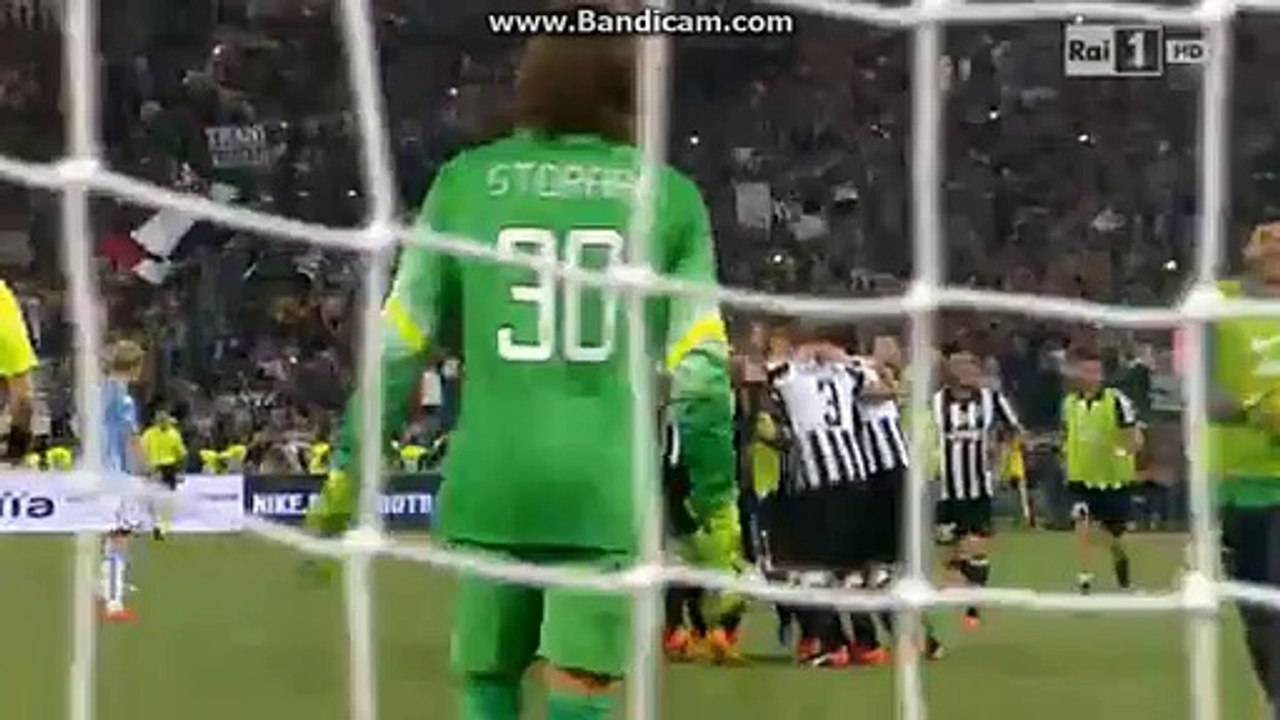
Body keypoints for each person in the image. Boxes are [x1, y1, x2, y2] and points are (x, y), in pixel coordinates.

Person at [304, 25, 738, 720]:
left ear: (528, 87)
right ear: (628, 91)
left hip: (493, 476)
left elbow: (396, 352)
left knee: (487, 676)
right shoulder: (669, 195)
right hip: (603, 482)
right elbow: (703, 376)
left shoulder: (465, 183)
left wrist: (349, 476)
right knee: (581, 682)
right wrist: (716, 510)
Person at [1210, 219, 1280, 717]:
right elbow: (1204, 393)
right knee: (1258, 612)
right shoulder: (1216, 303)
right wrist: (1260, 411)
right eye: (1266, 234)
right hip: (1242, 484)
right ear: (1247, 248)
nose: (1277, 243)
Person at [933, 343, 1023, 628]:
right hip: (945, 487)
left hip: (979, 485)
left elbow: (1014, 430)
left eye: (970, 366)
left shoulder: (990, 399)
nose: (965, 372)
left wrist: (1000, 460)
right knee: (954, 550)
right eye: (959, 366)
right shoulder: (935, 402)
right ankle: (961, 581)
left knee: (976, 544)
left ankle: (974, 607)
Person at [1061, 347, 1142, 593]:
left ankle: (1123, 573)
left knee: (1116, 539)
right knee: (1082, 521)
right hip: (1081, 477)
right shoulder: (1069, 403)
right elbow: (1070, 435)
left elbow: (1134, 434)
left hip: (1112, 478)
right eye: (1085, 370)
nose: (1090, 376)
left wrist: (1125, 449)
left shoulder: (1116, 400)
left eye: (1095, 371)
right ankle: (1085, 577)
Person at [100, 340, 148, 622]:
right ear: (135, 367)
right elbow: (132, 438)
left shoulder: (97, 392)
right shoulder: (124, 400)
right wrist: (146, 468)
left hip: (98, 469)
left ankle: (105, 585)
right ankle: (114, 601)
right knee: (121, 533)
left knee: (107, 528)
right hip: (118, 473)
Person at [0, 279, 37, 464]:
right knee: (21, 397)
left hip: (9, 337)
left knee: (21, 398)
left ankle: (18, 448)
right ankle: (18, 447)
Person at [140, 409, 188, 540]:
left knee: (167, 500)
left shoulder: (174, 434)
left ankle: (162, 527)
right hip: (154, 468)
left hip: (169, 468)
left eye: (164, 420)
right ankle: (158, 525)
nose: (162, 422)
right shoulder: (149, 434)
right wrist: (145, 466)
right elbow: (141, 451)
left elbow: (182, 454)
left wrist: (181, 471)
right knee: (152, 499)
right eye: (160, 420)